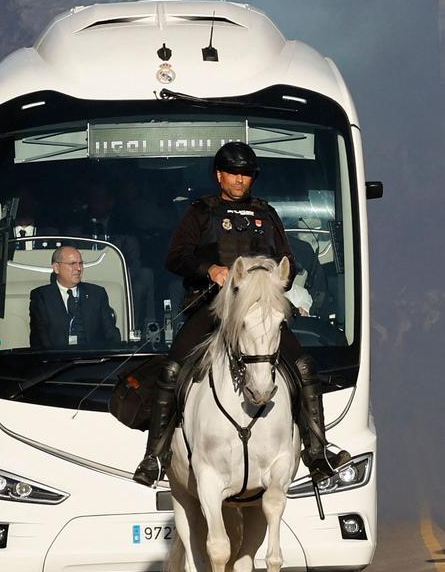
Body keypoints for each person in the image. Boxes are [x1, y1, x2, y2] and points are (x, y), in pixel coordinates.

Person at [132, 141, 351, 487]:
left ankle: (317, 451)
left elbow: (288, 262)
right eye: (233, 173)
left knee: (305, 366)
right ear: (219, 175)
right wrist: (210, 269)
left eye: (246, 174)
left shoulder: (266, 214)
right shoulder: (201, 212)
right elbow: (175, 257)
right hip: (214, 308)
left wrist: (275, 277)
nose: (239, 180)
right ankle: (155, 456)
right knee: (173, 369)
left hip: (259, 310)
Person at [29, 245, 121, 350]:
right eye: (72, 264)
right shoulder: (41, 296)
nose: (78, 268)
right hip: (57, 362)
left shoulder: (97, 294)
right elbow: (40, 340)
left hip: (93, 360)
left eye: (80, 264)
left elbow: (112, 336)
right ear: (56, 268)